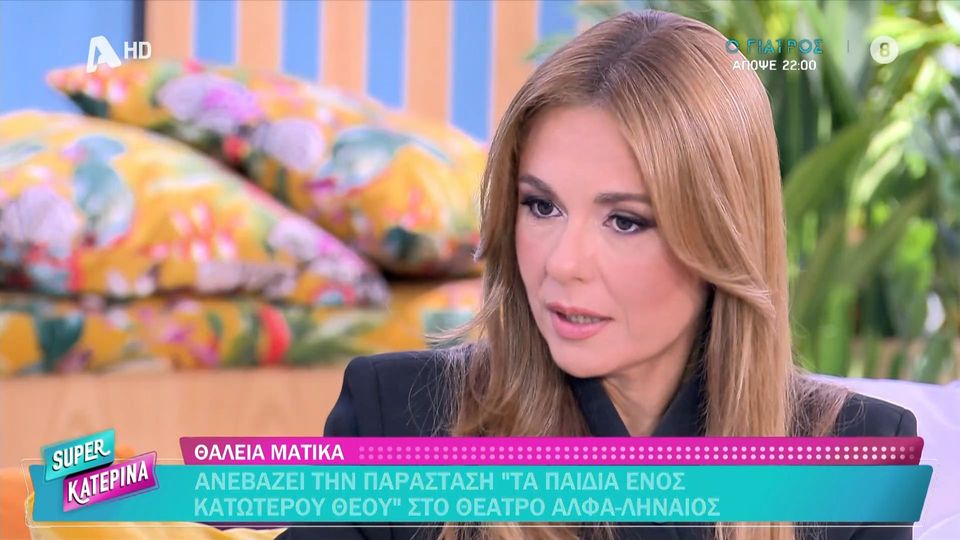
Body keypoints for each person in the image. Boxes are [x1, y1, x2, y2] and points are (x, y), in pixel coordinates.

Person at [278, 9, 917, 540]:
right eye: (542, 206)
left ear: (723, 237)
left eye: (625, 221)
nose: (563, 263)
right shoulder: (397, 417)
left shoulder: (855, 459)